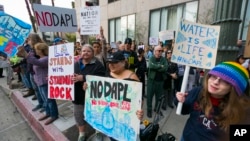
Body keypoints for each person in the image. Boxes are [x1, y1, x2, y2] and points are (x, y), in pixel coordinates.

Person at [176, 61, 250, 141]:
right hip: (187, 137)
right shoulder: (198, 91)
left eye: (225, 81)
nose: (215, 82)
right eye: (213, 76)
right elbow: (184, 110)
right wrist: (180, 101)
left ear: (234, 89)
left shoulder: (243, 109)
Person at [72, 44, 106, 141]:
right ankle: (82, 134)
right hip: (78, 95)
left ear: (92, 53)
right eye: (83, 51)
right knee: (79, 115)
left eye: (88, 51)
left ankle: (98, 132)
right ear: (80, 52)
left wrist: (83, 78)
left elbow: (101, 78)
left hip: (93, 96)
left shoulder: (98, 64)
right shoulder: (76, 63)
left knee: (96, 113)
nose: (85, 53)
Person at [23, 42, 59, 125]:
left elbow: (34, 61)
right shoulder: (39, 58)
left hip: (45, 82)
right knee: (45, 100)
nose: (35, 51)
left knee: (49, 100)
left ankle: (54, 115)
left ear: (41, 50)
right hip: (40, 82)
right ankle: (48, 113)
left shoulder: (46, 58)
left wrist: (26, 54)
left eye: (36, 49)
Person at [146, 45, 168, 118]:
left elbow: (165, 68)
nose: (160, 52)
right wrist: (160, 66)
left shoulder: (164, 59)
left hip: (160, 81)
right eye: (158, 50)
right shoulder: (151, 58)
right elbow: (151, 66)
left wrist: (158, 67)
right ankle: (149, 110)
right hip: (151, 81)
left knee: (159, 97)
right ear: (154, 51)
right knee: (149, 96)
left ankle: (157, 109)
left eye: (161, 51)